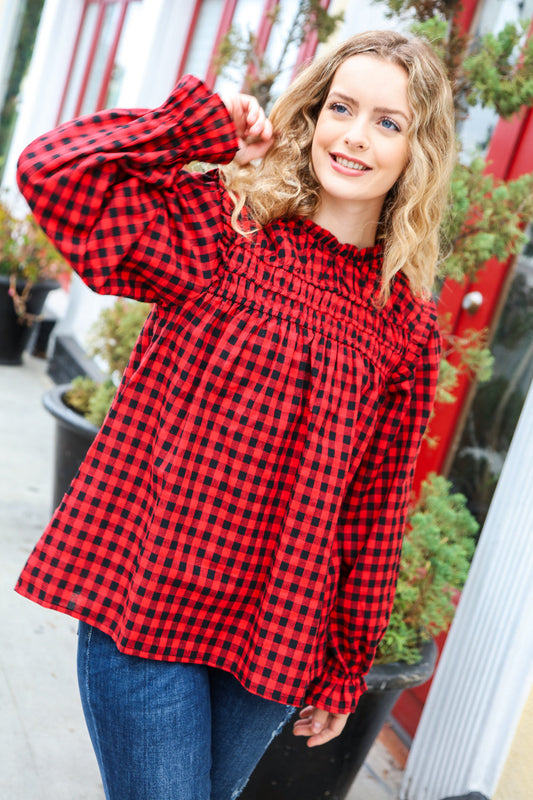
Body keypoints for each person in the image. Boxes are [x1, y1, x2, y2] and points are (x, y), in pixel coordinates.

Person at [15, 29, 455, 800]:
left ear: (416, 152)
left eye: (387, 122)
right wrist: (193, 130)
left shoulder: (407, 329)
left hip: (273, 639)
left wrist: (346, 663)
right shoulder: (221, 235)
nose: (353, 136)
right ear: (312, 116)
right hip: (146, 603)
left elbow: (374, 508)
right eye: (341, 108)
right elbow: (52, 173)